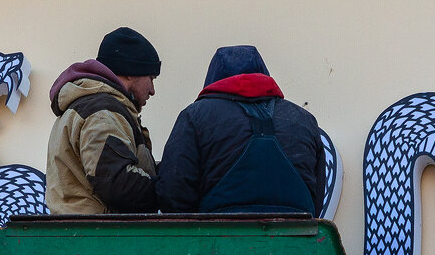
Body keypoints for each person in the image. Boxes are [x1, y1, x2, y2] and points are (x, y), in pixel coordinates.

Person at [156, 45, 325, 216]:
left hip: (218, 237)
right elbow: (317, 198)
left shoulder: (195, 116)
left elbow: (173, 192)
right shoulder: (304, 120)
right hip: (297, 237)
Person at [45, 27, 162, 214]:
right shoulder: (102, 112)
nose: (152, 90)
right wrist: (167, 188)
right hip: (97, 235)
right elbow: (115, 181)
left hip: (80, 232)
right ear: (130, 72)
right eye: (151, 78)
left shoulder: (89, 107)